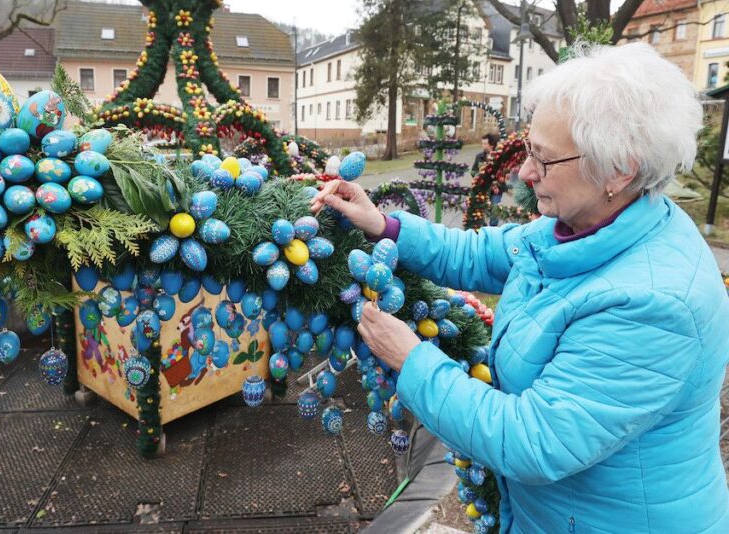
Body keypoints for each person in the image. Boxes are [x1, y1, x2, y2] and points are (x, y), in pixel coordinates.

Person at [311, 42, 729, 532]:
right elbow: (480, 254)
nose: (526, 173)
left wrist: (412, 359)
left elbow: (533, 440)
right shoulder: (585, 224)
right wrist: (383, 224)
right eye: (529, 149)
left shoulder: (654, 304)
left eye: (544, 160)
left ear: (619, 169)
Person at [471, 133, 504, 225]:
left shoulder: (499, 157)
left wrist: (497, 184)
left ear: (491, 145)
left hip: (495, 190)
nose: (483, 145)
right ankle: (481, 229)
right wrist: (479, 177)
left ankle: (493, 232)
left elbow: (503, 173)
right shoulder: (479, 157)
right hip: (483, 189)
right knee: (480, 211)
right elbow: (473, 171)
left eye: (485, 143)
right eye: (482, 143)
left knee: (494, 211)